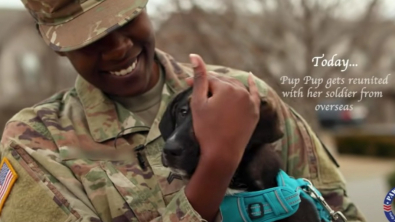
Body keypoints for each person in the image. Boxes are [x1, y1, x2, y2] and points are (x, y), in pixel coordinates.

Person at [0, 0, 366, 221]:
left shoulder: (241, 95)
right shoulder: (35, 142)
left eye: (124, 18)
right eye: (88, 38)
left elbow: (336, 209)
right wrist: (218, 165)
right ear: (53, 43)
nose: (117, 48)